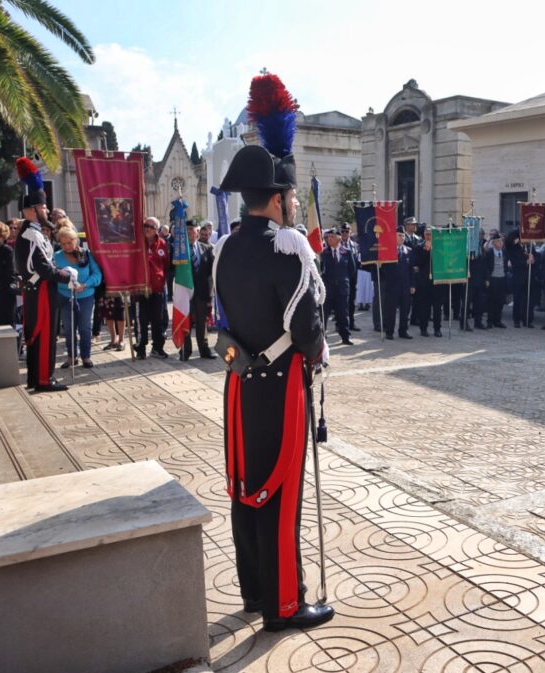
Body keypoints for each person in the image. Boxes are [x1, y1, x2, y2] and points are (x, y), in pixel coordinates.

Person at [213, 73, 333, 632]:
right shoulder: (291, 251)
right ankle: (286, 605)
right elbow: (308, 330)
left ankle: (256, 592)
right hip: (282, 384)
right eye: (288, 197)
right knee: (281, 491)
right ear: (281, 198)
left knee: (245, 488)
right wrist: (318, 349)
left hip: (238, 387)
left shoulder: (223, 250)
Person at [14, 158, 77, 391]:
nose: (46, 210)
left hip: (40, 289)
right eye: (42, 207)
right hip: (40, 290)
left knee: (42, 336)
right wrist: (66, 275)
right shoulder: (30, 235)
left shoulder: (35, 232)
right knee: (43, 334)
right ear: (30, 210)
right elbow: (42, 268)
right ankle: (42, 379)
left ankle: (37, 377)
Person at [53, 225, 102, 369]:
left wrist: (85, 284)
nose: (67, 246)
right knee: (69, 328)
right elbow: (53, 276)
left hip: (85, 295)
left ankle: (86, 356)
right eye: (63, 243)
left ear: (76, 240)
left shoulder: (85, 254)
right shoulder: (56, 256)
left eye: (69, 242)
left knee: (85, 327)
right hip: (65, 295)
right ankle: (72, 356)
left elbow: (97, 274)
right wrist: (67, 283)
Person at [135, 217, 169, 360]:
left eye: (150, 226)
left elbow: (166, 265)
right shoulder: (137, 244)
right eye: (145, 225)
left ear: (157, 229)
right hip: (140, 289)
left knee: (158, 319)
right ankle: (140, 347)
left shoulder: (162, 244)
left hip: (157, 289)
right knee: (141, 319)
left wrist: (161, 280)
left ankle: (157, 348)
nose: (147, 228)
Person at [182, 221, 217, 361]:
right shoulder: (180, 250)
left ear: (197, 232)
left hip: (202, 292)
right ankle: (186, 350)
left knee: (202, 323)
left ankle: (204, 350)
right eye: (188, 229)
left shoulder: (206, 248)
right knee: (187, 323)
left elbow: (211, 271)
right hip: (185, 292)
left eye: (192, 229)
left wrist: (211, 292)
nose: (190, 232)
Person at [381, 226, 415, 339]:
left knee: (405, 310)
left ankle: (403, 331)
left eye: (403, 235)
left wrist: (412, 285)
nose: (402, 238)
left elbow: (411, 270)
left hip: (405, 286)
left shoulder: (409, 251)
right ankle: (389, 332)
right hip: (392, 286)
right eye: (399, 235)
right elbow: (383, 269)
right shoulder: (388, 251)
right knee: (390, 310)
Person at [320, 228, 353, 345]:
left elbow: (352, 270)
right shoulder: (324, 253)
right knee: (324, 313)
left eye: (332, 237)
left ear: (339, 238)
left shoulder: (347, 252)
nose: (329, 239)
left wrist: (348, 284)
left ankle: (345, 336)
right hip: (328, 289)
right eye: (328, 237)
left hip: (342, 289)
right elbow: (321, 270)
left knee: (343, 314)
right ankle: (322, 336)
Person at [483, 233, 508, 328]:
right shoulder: (489, 252)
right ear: (493, 243)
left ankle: (498, 320)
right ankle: (490, 321)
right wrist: (487, 279)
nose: (500, 243)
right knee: (491, 301)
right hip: (493, 279)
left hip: (502, 278)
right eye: (498, 241)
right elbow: (486, 267)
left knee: (500, 301)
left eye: (501, 241)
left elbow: (505, 265)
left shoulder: (504, 252)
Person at [340, 223, 362, 331]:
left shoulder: (355, 245)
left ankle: (351, 323)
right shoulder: (337, 244)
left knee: (351, 301)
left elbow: (357, 261)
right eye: (343, 231)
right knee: (341, 302)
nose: (344, 234)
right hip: (341, 277)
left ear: (350, 232)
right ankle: (341, 324)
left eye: (347, 231)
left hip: (352, 277)